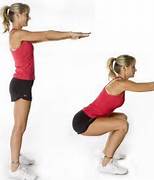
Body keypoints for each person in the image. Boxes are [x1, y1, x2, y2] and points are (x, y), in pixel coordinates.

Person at [0, 2, 90, 180]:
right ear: (17, 16)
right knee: (19, 127)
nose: (29, 17)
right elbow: (46, 35)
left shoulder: (20, 35)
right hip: (21, 85)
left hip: (23, 84)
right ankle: (14, 167)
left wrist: (66, 37)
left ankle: (16, 155)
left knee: (20, 126)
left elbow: (43, 37)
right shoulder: (18, 34)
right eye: (26, 14)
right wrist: (70, 34)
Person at [72, 54, 154, 175]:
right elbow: (151, 86)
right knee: (122, 125)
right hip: (84, 122)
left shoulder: (120, 81)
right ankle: (105, 164)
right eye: (133, 67)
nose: (135, 69)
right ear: (124, 68)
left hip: (88, 117)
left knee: (122, 118)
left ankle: (107, 151)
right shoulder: (120, 84)